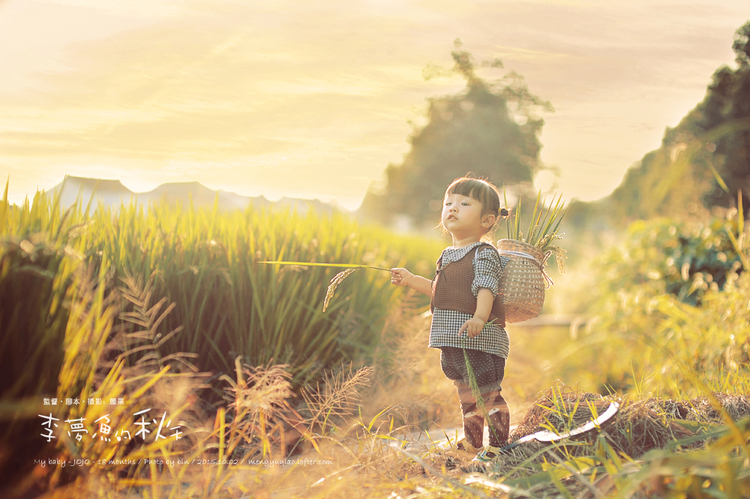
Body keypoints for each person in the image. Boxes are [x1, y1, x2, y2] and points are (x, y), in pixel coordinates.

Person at [390, 176, 511, 462]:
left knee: (486, 390)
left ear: (487, 220)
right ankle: (473, 443)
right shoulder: (447, 254)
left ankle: (498, 445)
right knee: (466, 393)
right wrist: (410, 280)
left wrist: (480, 317)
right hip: (452, 339)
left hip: (478, 339)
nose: (453, 208)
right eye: (449, 203)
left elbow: (486, 286)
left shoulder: (484, 253)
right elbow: (438, 289)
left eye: (464, 203)